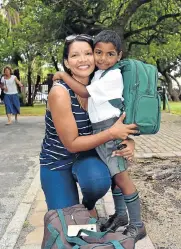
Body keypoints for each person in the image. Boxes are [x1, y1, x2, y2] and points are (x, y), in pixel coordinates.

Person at [53, 30, 146, 242]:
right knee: (115, 178)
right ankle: (121, 215)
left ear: (119, 56)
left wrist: (62, 76)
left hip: (109, 131)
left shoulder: (112, 75)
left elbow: (86, 93)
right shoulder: (99, 74)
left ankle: (138, 225)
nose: (103, 58)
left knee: (122, 178)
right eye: (98, 52)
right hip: (103, 131)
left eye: (110, 54)